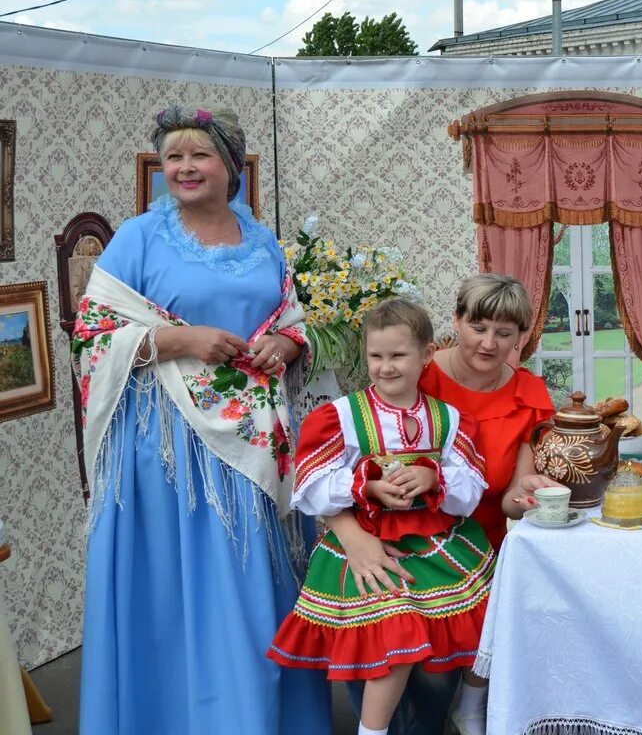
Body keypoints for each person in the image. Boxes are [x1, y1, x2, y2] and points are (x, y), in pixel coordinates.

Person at [73, 105, 330, 734]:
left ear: (230, 163)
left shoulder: (262, 241)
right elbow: (92, 334)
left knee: (251, 584)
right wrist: (181, 342)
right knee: (172, 589)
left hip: (253, 446)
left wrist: (290, 346)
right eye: (173, 158)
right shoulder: (138, 237)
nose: (184, 168)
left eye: (199, 155)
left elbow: (292, 321)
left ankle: (258, 718)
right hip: (165, 452)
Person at [268, 298, 494, 735]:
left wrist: (432, 480)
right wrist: (365, 486)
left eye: (398, 355)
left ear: (427, 354)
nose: (386, 367)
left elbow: (469, 489)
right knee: (394, 632)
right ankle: (371, 731)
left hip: (436, 543)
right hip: (370, 542)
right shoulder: (344, 415)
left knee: (487, 619)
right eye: (376, 356)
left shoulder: (447, 419)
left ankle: (470, 709)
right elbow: (310, 483)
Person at [418, 272, 560, 735]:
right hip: (417, 534)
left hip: (485, 541)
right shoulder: (420, 377)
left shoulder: (529, 395)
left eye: (504, 333)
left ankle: (474, 706)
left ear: (522, 337)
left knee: (505, 601)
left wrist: (533, 492)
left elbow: (511, 502)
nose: (488, 343)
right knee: (428, 673)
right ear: (457, 320)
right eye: (478, 327)